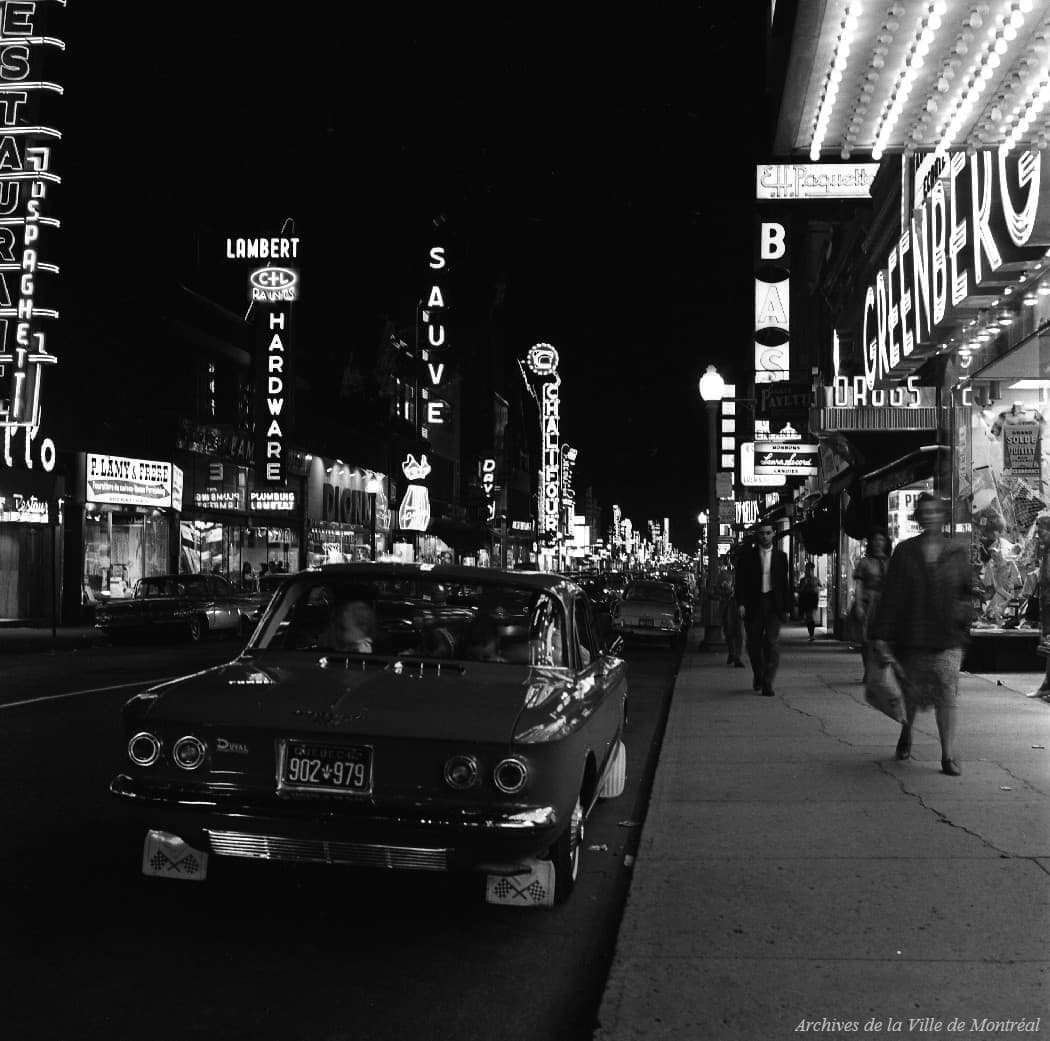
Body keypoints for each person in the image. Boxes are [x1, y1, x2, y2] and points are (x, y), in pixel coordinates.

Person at [869, 493, 977, 777]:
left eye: (935, 511)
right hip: (912, 635)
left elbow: (967, 591)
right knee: (911, 694)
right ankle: (906, 732)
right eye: (924, 511)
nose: (930, 515)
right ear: (917, 516)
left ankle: (948, 754)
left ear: (943, 516)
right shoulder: (904, 552)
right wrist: (881, 635)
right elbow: (891, 596)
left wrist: (964, 617)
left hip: (947, 637)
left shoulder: (956, 551)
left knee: (946, 694)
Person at [735, 522, 790, 697]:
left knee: (772, 645)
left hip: (773, 605)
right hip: (754, 604)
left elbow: (784, 584)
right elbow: (741, 582)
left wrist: (787, 608)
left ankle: (768, 683)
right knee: (754, 645)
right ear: (757, 535)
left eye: (768, 533)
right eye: (761, 533)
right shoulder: (747, 557)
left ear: (774, 533)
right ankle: (758, 675)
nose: (765, 536)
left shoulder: (781, 557)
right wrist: (741, 604)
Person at [853, 530, 890, 681]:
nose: (878, 543)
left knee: (885, 638)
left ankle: (883, 671)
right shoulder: (865, 562)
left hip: (887, 604)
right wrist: (859, 604)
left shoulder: (890, 561)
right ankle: (868, 669)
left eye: (881, 540)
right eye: (875, 540)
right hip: (870, 604)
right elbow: (859, 585)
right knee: (867, 640)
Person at [716, 551, 744, 667]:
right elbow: (717, 589)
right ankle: (732, 653)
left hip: (740, 605)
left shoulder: (744, 575)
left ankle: (737, 656)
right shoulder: (724, 574)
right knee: (729, 632)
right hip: (728, 606)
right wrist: (726, 591)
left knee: (740, 633)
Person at [797, 562, 822, 642]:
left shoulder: (816, 579)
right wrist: (804, 585)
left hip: (813, 599)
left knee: (810, 616)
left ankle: (811, 634)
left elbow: (821, 587)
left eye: (809, 569)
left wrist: (817, 590)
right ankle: (811, 634)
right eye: (807, 569)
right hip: (806, 599)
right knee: (809, 617)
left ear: (812, 570)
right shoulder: (803, 580)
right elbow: (800, 590)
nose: (807, 571)